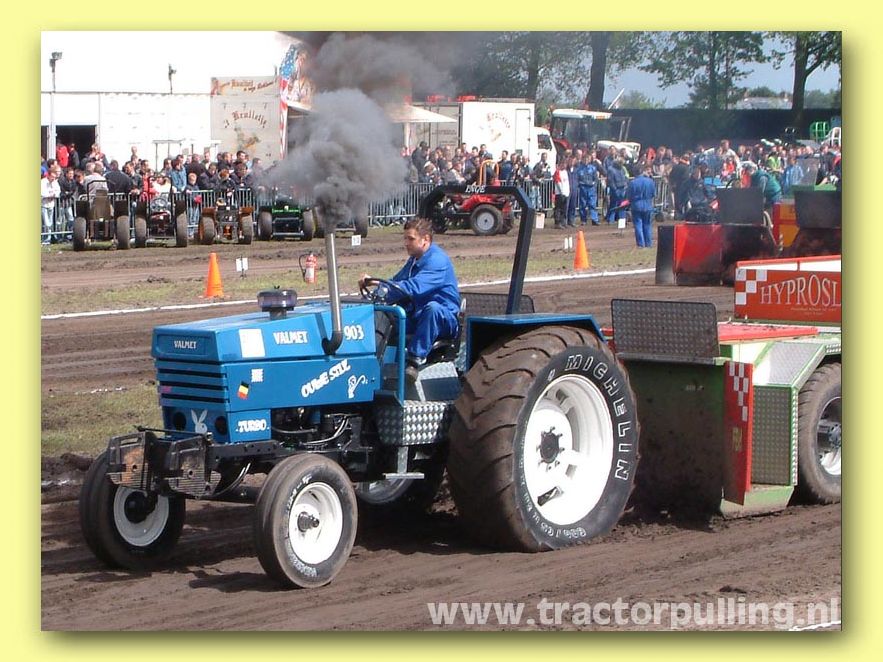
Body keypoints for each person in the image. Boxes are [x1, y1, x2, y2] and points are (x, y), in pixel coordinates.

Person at [358, 217, 460, 382]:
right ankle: (370, 361)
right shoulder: (414, 260)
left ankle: (413, 361)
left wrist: (381, 284)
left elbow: (414, 287)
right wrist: (377, 292)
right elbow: (397, 282)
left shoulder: (437, 261)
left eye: (411, 239)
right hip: (417, 314)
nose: (406, 243)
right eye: (405, 238)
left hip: (443, 319)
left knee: (432, 309)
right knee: (384, 314)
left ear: (425, 239)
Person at [627, 164, 656, 248]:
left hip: (636, 205)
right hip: (648, 205)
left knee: (638, 225)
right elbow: (653, 194)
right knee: (647, 225)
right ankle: (648, 243)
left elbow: (629, 196)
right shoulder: (650, 181)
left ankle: (641, 244)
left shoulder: (632, 182)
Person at [575, 153, 601, 225]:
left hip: (591, 188)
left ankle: (594, 219)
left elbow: (596, 179)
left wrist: (594, 186)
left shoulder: (593, 168)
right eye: (585, 159)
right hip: (583, 188)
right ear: (582, 160)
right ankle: (583, 220)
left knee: (592, 204)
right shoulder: (579, 169)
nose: (586, 161)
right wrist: (579, 185)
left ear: (589, 160)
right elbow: (577, 179)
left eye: (588, 159)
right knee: (582, 205)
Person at [41, 169, 61, 244]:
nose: (53, 179)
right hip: (44, 204)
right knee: (46, 223)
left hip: (51, 204)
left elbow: (58, 191)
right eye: (52, 177)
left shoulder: (55, 182)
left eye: (54, 177)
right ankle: (46, 239)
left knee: (50, 222)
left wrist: (55, 195)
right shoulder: (43, 182)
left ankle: (49, 238)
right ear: (48, 175)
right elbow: (42, 193)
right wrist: (49, 195)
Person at [552, 161, 570, 229]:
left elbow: (567, 183)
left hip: (566, 193)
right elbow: (558, 183)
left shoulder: (565, 172)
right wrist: (562, 192)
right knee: (558, 208)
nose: (564, 166)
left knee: (564, 208)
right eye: (563, 164)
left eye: (565, 164)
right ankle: (557, 223)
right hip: (559, 193)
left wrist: (567, 192)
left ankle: (563, 222)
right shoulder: (557, 172)